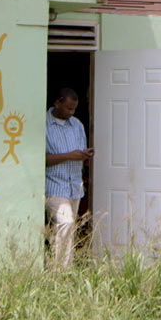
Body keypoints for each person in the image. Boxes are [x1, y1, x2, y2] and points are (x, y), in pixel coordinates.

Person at [44, 87, 92, 269]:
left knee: (67, 229)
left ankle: (61, 268)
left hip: (75, 186)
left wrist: (84, 155)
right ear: (57, 102)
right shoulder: (44, 125)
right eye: (68, 108)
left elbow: (79, 153)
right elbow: (40, 159)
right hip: (54, 185)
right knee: (66, 223)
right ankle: (60, 273)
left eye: (74, 109)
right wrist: (68, 156)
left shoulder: (77, 125)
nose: (71, 113)